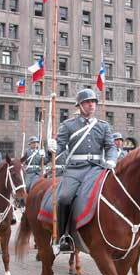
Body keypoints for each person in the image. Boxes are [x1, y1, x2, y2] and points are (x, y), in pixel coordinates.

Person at [47, 88, 116, 253]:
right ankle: (63, 237)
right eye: (87, 102)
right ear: (79, 105)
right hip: (76, 170)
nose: (91, 105)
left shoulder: (103, 126)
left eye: (93, 102)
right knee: (64, 198)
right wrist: (51, 147)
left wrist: (112, 160)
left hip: (97, 169)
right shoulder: (69, 125)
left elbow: (110, 146)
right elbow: (60, 147)